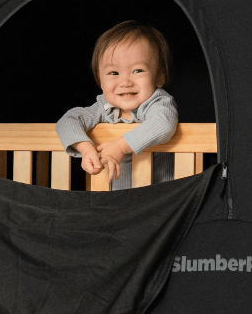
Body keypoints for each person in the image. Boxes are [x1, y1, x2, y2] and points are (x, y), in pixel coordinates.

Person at [56, 21, 178, 190]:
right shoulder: (104, 108)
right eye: (114, 73)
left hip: (160, 197)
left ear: (159, 78)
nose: (125, 82)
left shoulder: (157, 103)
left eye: (137, 71)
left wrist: (119, 147)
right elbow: (67, 121)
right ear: (101, 81)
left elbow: (163, 123)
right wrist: (85, 148)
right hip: (116, 199)